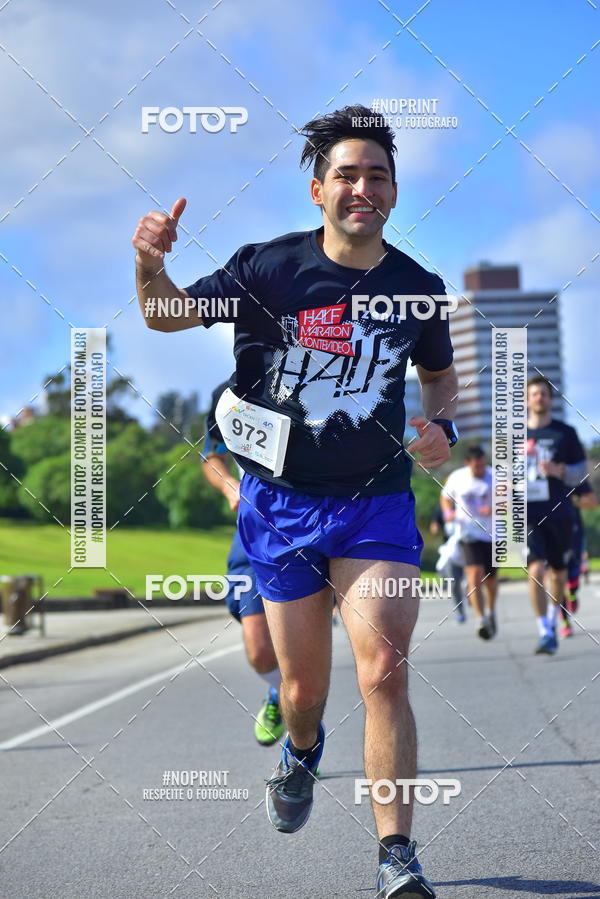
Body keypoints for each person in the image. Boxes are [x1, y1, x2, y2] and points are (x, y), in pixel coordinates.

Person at [133, 104, 459, 898]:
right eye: (346, 173)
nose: (362, 186)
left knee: (384, 668)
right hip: (279, 507)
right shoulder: (265, 270)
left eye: (376, 174)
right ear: (318, 189)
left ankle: (396, 855)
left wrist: (441, 424)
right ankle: (300, 752)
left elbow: (439, 375)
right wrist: (149, 264)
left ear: (393, 190)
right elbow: (164, 313)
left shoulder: (418, 288)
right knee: (303, 693)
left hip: (376, 502)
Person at [202, 379, 284, 747]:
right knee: (259, 649)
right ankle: (283, 696)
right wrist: (229, 487)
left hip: (320, 526)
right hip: (256, 529)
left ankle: (303, 738)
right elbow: (213, 455)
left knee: (301, 647)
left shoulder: (316, 374)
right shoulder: (230, 392)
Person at [526, 375, 589, 655]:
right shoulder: (513, 434)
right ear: (527, 400)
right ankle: (543, 629)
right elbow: (500, 475)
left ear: (550, 400)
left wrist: (559, 471)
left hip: (559, 510)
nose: (539, 398)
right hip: (526, 512)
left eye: (544, 394)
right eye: (535, 393)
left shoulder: (566, 433)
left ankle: (553, 619)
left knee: (559, 571)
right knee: (536, 568)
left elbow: (581, 473)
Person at [440, 447, 497, 640]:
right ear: (467, 464)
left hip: (492, 534)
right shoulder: (457, 477)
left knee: (490, 580)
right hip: (467, 534)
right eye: (476, 466)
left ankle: (491, 611)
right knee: (474, 574)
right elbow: (445, 497)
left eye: (482, 464)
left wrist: (494, 508)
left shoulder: (494, 476)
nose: (480, 469)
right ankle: (480, 619)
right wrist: (448, 514)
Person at [559, 481, 597, 638]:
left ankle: (573, 593)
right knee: (557, 576)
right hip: (551, 532)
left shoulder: (573, 476)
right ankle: (565, 623)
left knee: (573, 575)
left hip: (574, 531)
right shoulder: (537, 476)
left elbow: (592, 502)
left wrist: (573, 500)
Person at [431, 503, 465, 623]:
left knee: (472, 578)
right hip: (450, 549)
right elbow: (435, 523)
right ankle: (460, 611)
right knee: (453, 582)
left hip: (467, 545)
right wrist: (435, 527)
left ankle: (475, 600)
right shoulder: (440, 506)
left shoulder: (466, 500)